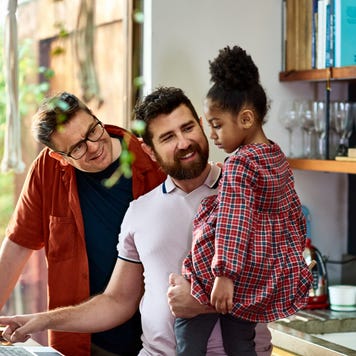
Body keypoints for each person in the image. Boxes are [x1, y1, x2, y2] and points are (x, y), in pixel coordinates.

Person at [0, 87, 273, 355]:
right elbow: (117, 300)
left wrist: (202, 303)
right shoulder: (139, 210)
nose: (182, 143)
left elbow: (281, 279)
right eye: (167, 137)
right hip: (118, 345)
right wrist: (41, 319)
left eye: (188, 128)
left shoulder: (244, 191)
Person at [0, 91, 166, 356]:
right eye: (77, 147)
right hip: (80, 341)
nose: (93, 146)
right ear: (59, 157)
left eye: (92, 130)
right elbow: (18, 244)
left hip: (151, 338)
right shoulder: (47, 171)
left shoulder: (150, 161)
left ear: (95, 117)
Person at [174, 46, 313, 356]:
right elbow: (292, 212)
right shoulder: (275, 156)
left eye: (217, 124)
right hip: (258, 273)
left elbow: (234, 222)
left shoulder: (240, 164)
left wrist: (224, 274)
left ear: (247, 118)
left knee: (187, 332)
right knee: (241, 340)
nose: (212, 134)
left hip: (226, 273)